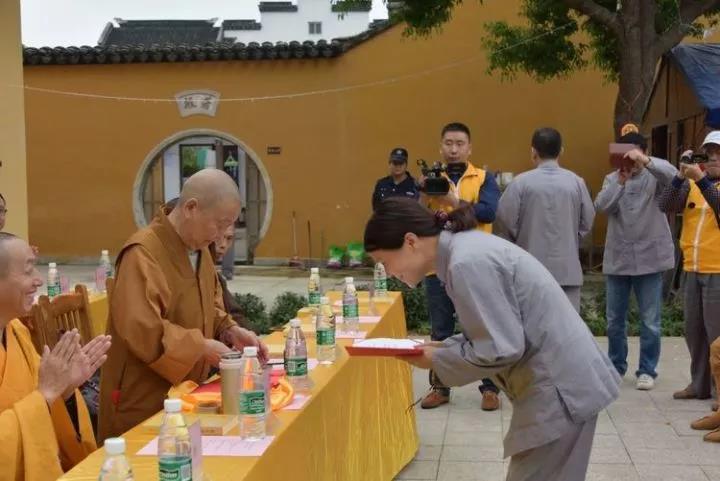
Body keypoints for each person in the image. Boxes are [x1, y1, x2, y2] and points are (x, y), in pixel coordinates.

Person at [364, 198, 619, 481]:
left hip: (560, 387)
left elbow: (501, 348)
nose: (389, 273)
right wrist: (444, 348)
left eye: (385, 262)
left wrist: (436, 359)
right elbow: (494, 328)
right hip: (561, 377)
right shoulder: (465, 250)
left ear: (410, 241)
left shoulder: (465, 263)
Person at [98, 169, 268, 442]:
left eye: (229, 227)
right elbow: (143, 330)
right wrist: (201, 346)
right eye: (220, 224)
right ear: (191, 208)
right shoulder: (142, 252)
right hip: (143, 398)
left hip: (187, 395)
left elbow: (208, 305)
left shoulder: (199, 249)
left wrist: (229, 330)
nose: (221, 236)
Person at [0, 232, 112, 480]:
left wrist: (66, 389)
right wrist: (45, 395)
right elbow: (42, 396)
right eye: (28, 271)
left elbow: (45, 399)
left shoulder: (16, 331)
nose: (39, 280)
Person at [420, 122, 501, 410]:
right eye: (448, 143)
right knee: (440, 331)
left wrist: (454, 201)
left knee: (482, 329)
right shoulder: (431, 178)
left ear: (469, 148)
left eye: (459, 143)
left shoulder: (484, 178)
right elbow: (416, 217)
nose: (453, 149)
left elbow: (488, 212)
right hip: (438, 266)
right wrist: (423, 194)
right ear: (440, 147)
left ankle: (490, 388)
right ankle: (440, 387)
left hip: (476, 266)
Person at [594, 132, 677, 391]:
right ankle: (616, 366)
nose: (628, 158)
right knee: (614, 320)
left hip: (650, 258)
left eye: (633, 153)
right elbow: (601, 207)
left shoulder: (656, 176)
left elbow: (675, 176)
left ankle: (647, 369)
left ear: (643, 151)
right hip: (619, 257)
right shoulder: (612, 178)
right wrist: (620, 181)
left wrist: (646, 161)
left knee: (650, 320)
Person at [496, 127, 594, 312]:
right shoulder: (576, 182)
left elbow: (504, 218)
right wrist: (572, 241)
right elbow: (587, 221)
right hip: (567, 269)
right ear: (561, 151)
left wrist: (521, 238)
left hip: (530, 267)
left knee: (532, 324)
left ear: (533, 151)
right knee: (567, 325)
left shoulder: (520, 183)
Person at [660, 131, 720, 404]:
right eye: (709, 153)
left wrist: (701, 180)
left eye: (719, 153)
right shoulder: (694, 184)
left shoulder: (704, 184)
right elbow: (665, 204)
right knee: (694, 331)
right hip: (693, 267)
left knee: (716, 333)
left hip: (717, 269)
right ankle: (699, 384)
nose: (713, 158)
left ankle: (719, 391)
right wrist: (680, 175)